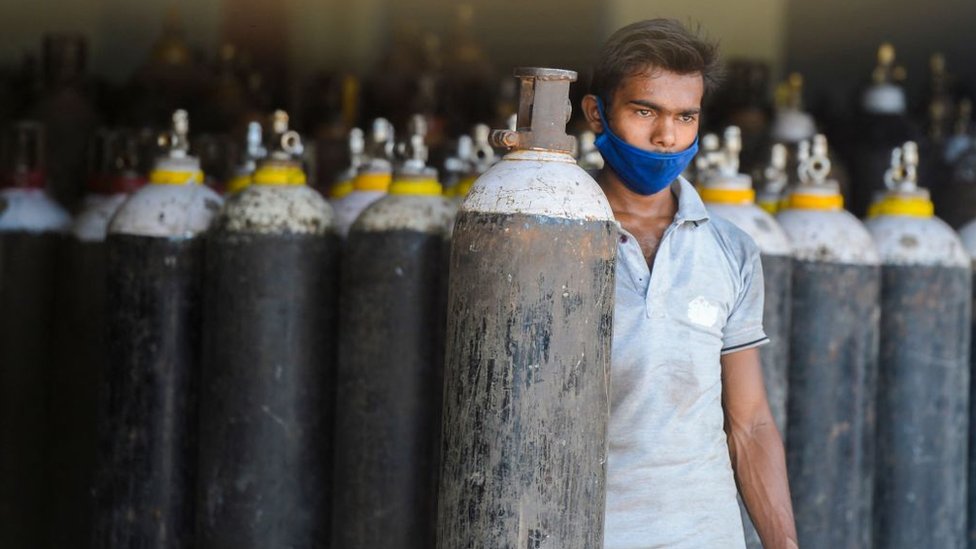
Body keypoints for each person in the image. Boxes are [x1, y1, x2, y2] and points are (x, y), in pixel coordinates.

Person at [580, 19, 799, 549]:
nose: (667, 136)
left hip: (704, 534)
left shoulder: (731, 250)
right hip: (586, 532)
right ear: (595, 113)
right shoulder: (558, 234)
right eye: (644, 111)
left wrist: (784, 544)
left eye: (686, 116)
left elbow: (749, 423)